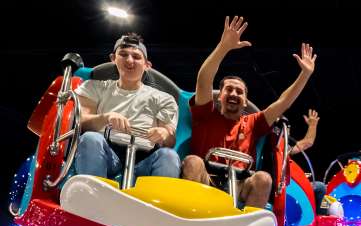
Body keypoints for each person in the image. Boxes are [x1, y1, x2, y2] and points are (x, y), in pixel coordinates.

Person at [182, 16, 317, 208]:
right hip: (206, 179)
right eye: (229, 89)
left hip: (239, 184)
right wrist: (223, 47)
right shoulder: (205, 113)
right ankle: (190, 219)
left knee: (263, 178)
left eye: (239, 91)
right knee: (193, 162)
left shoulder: (254, 123)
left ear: (245, 100)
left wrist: (304, 75)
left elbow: (283, 102)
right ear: (219, 96)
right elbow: (203, 79)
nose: (234, 94)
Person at [73, 33, 181, 180]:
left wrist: (163, 133)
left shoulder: (164, 98)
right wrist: (106, 118)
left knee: (169, 155)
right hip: (106, 151)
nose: (130, 60)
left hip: (145, 157)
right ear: (113, 59)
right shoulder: (93, 87)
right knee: (90, 138)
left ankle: (157, 202)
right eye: (123, 54)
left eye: (136, 57)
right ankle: (93, 196)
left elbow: (169, 139)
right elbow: (81, 122)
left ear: (147, 65)